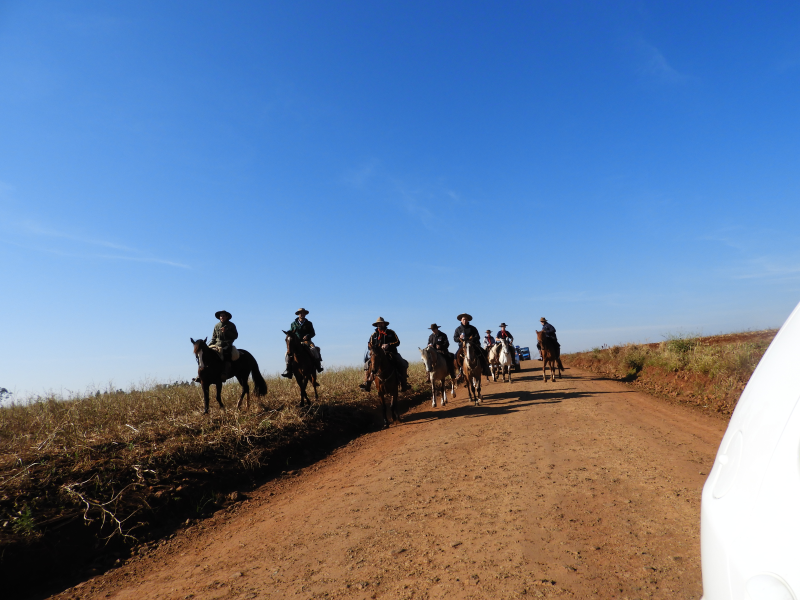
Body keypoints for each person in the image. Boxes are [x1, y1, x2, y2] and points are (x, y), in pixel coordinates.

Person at [359, 317, 410, 392]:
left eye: (381, 323)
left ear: (384, 324)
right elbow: (370, 346)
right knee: (367, 364)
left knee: (402, 362)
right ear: (376, 325)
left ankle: (403, 382)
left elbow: (397, 342)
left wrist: (388, 345)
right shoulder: (374, 335)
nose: (380, 325)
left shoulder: (391, 332)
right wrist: (374, 349)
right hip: (378, 355)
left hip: (391, 352)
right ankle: (367, 383)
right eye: (378, 324)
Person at [281, 308, 323, 378]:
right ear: (298, 314)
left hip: (307, 341)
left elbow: (313, 333)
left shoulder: (309, 323)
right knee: (287, 354)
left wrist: (307, 336)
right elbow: (291, 333)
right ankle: (288, 370)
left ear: (305, 314)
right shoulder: (293, 324)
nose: (302, 314)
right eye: (300, 313)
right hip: (296, 342)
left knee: (314, 349)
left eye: (303, 313)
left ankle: (318, 366)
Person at [210, 310, 238, 376]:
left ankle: (225, 373)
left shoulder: (231, 325)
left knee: (226, 355)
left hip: (227, 344)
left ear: (227, 317)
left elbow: (235, 336)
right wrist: (209, 345)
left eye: (223, 316)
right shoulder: (217, 326)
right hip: (216, 344)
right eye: (221, 316)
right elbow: (214, 338)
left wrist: (226, 332)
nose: (222, 317)